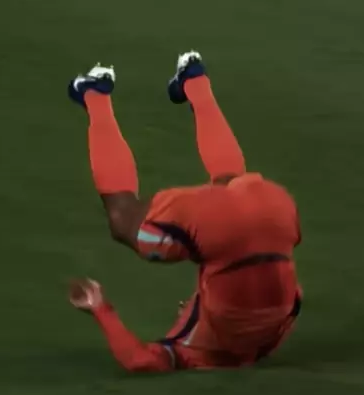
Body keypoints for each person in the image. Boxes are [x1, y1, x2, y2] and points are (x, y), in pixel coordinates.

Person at [68, 51, 303, 372]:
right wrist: (99, 307)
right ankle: (95, 92)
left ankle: (194, 78)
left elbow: (292, 298)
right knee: (122, 218)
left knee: (229, 186)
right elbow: (139, 361)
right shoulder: (189, 353)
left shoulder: (265, 345)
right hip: (219, 233)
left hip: (275, 211)